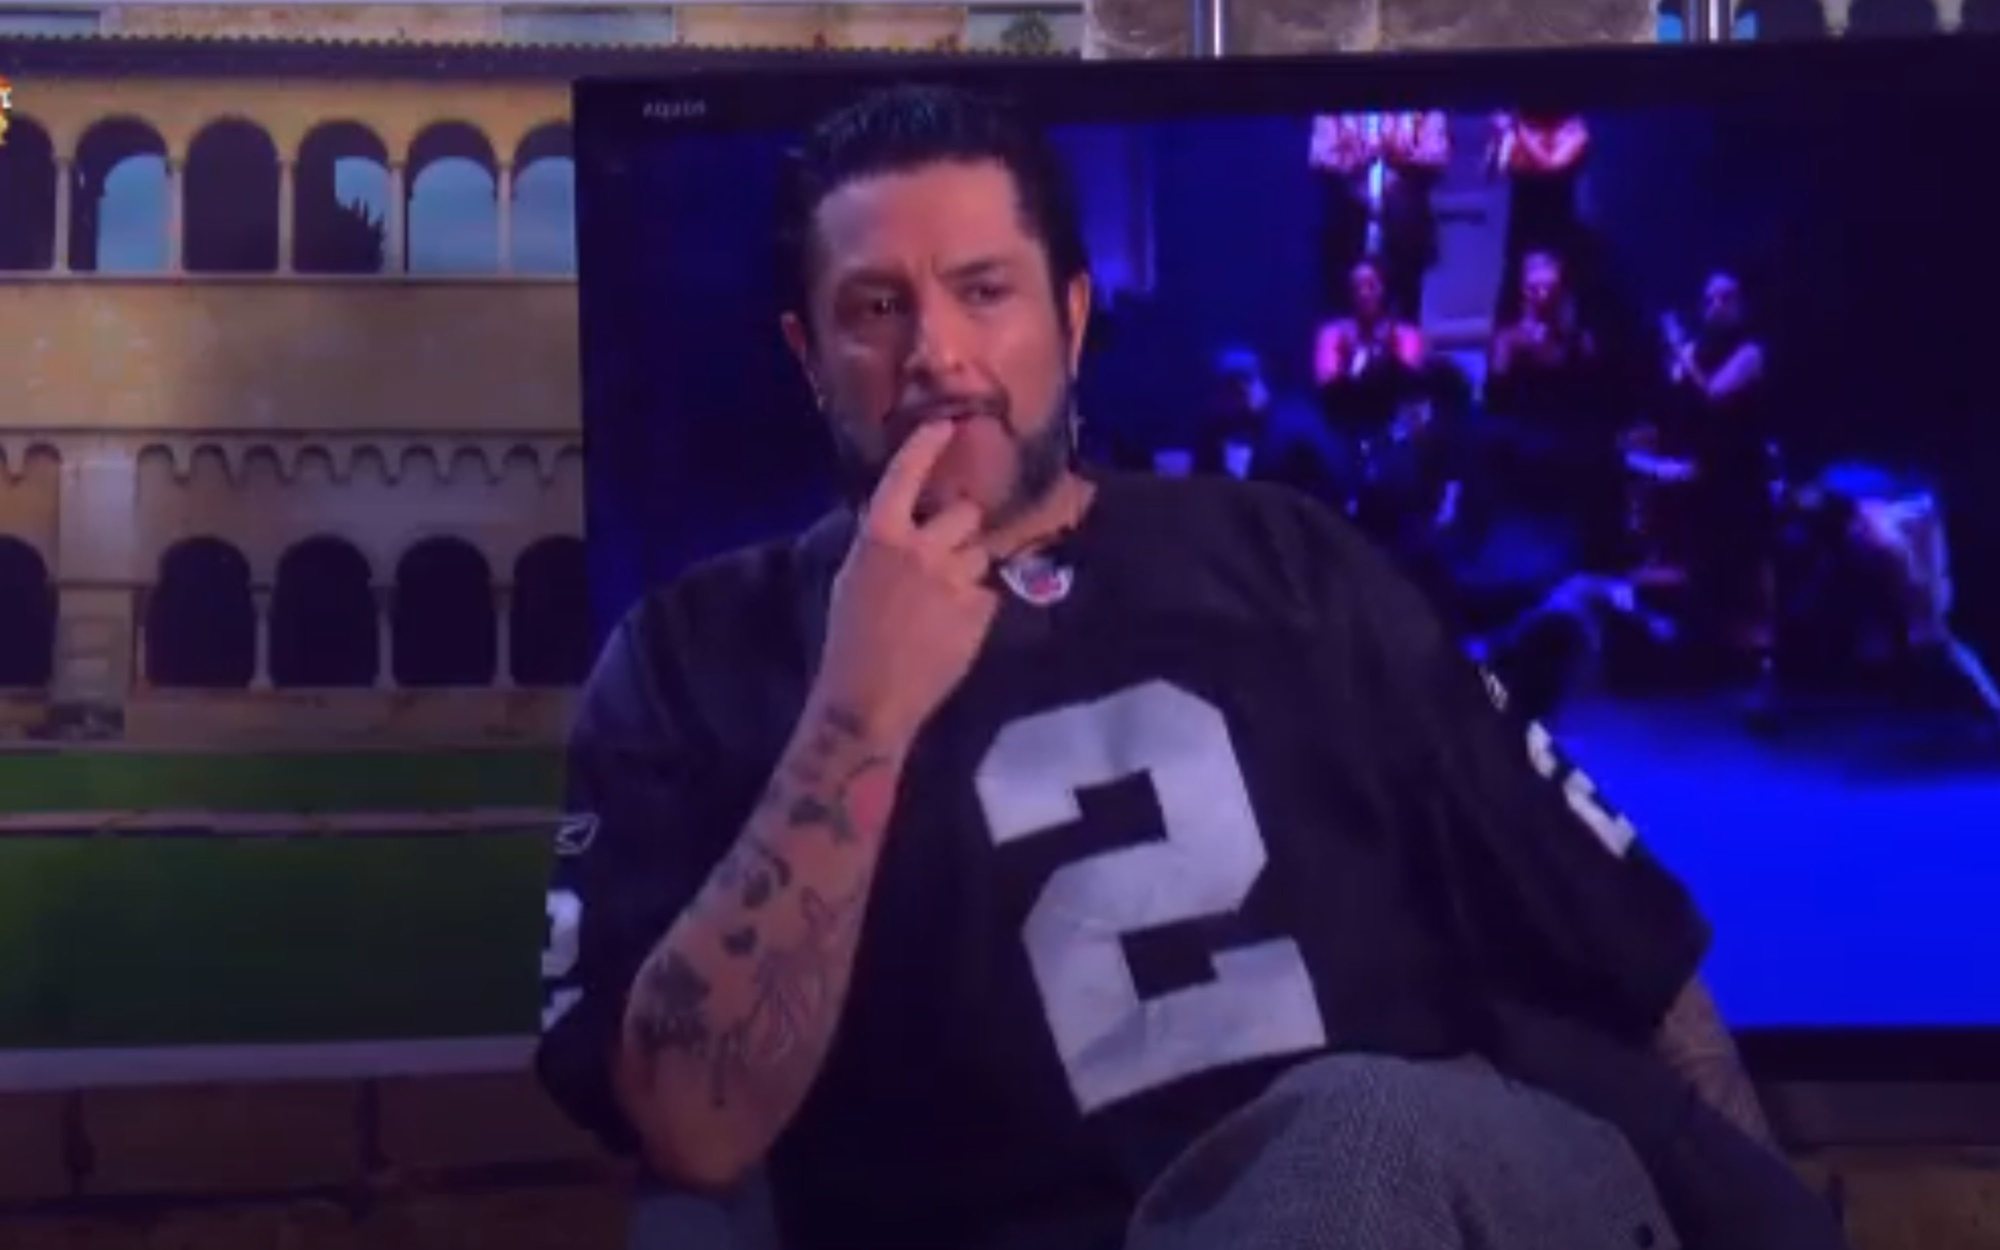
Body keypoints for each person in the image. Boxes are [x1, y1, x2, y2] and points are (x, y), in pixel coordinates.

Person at [537, 85, 1843, 1250]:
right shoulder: (690, 658)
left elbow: (1625, 951)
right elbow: (692, 1129)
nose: (935, 353)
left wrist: (1762, 1213)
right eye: (876, 307)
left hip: (1426, 1178)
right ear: (807, 355)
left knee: (1348, 1138)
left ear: (1071, 316)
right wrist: (860, 701)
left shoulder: (1288, 559)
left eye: (983, 291)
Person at [1160, 345, 1357, 509]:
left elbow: (1333, 481)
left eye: (1247, 381)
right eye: (1231, 386)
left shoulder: (1294, 428)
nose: (1243, 390)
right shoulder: (1214, 431)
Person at [1308, 111, 1450, 319]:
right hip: (1348, 225)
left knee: (1406, 307)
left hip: (1406, 229)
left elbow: (1437, 154)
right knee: (1342, 308)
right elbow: (1319, 157)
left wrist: (1396, 152)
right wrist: (1358, 158)